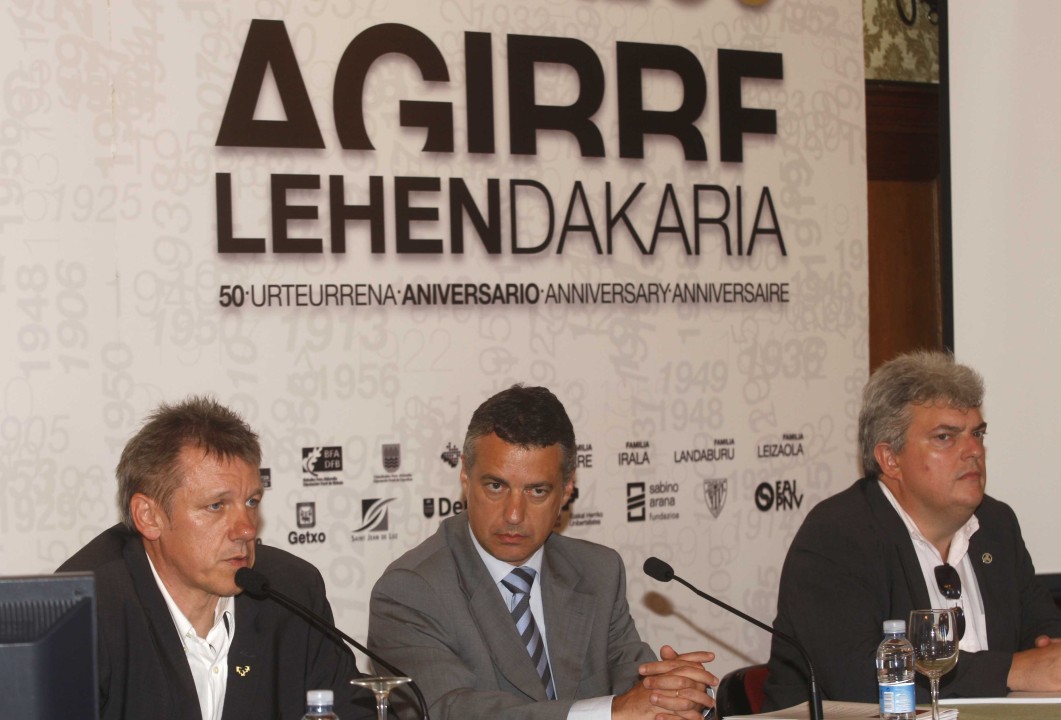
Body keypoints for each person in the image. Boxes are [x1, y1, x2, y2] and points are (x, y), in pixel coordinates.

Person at [368, 384, 717, 720]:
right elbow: (449, 712)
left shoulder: (598, 571)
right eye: (495, 486)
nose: (513, 514)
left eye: (537, 491)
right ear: (465, 477)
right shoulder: (411, 589)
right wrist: (611, 712)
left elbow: (635, 685)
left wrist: (676, 692)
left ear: (566, 490)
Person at [763, 350, 1061, 710]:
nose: (973, 451)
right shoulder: (837, 537)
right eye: (945, 437)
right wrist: (1012, 670)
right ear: (890, 459)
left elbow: (1045, 638)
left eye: (977, 433)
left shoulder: (997, 525)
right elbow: (860, 680)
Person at [58, 396, 374, 720]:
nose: (246, 529)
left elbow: (353, 712)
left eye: (251, 502)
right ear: (149, 516)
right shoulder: (83, 612)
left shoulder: (292, 592)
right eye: (216, 506)